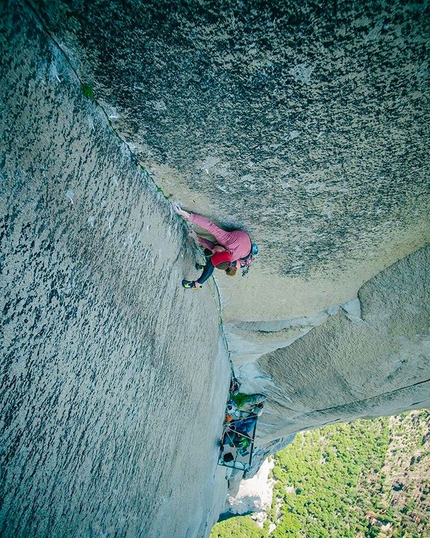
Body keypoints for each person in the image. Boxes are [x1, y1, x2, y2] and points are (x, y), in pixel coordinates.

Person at [173, 203, 258, 289]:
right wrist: (185, 214)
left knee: (210, 258)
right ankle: (200, 279)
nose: (213, 251)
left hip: (242, 255)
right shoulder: (226, 239)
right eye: (215, 252)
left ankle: (196, 284)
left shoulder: (229, 256)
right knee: (208, 254)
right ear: (224, 251)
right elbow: (210, 226)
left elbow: (214, 248)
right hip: (241, 252)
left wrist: (197, 238)